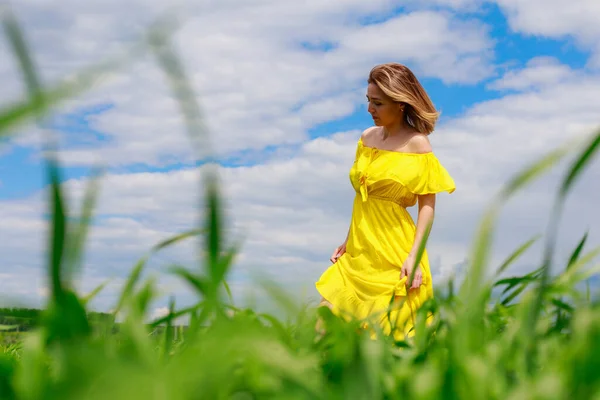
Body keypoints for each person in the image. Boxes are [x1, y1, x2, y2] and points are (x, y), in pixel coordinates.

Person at [314, 62, 455, 340]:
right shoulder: (366, 139)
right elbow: (364, 199)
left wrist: (414, 257)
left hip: (394, 252)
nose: (370, 109)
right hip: (358, 250)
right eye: (368, 101)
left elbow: (427, 207)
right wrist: (348, 239)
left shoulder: (418, 145)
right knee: (323, 325)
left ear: (400, 103)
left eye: (378, 103)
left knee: (386, 337)